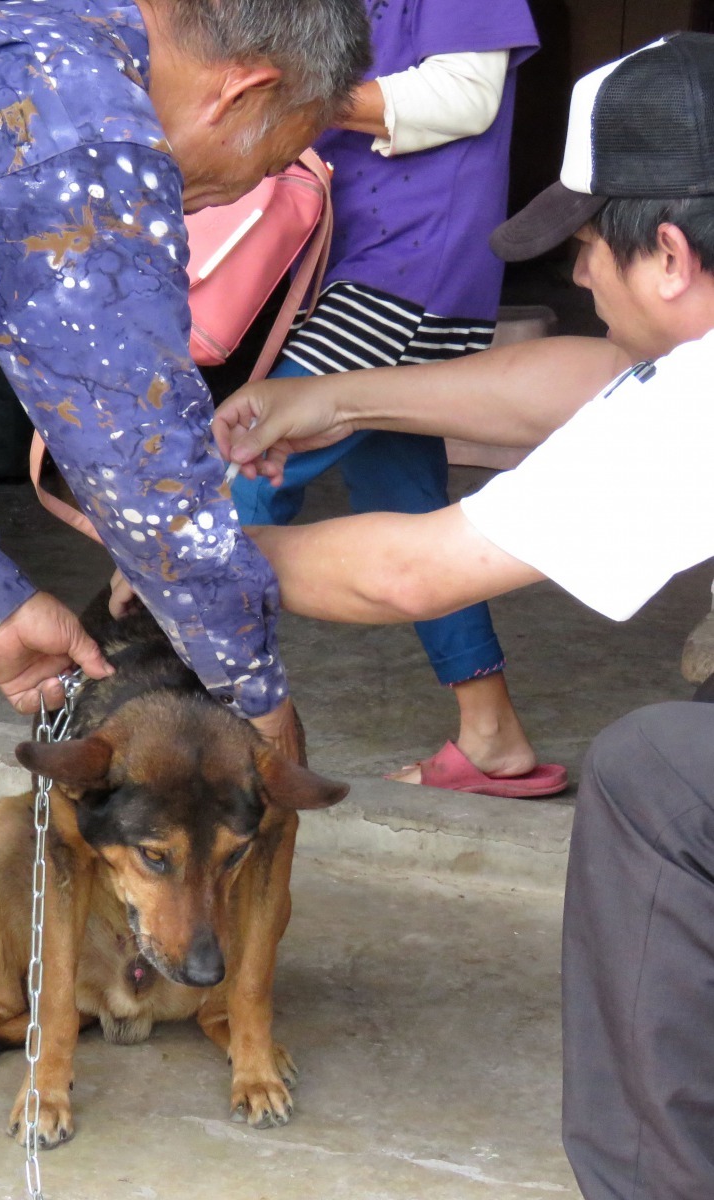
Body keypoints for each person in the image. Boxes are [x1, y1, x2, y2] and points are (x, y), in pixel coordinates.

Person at [209, 32, 714, 1198]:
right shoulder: (683, 364)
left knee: (661, 774)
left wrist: (197, 553)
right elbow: (598, 383)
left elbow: (410, 576)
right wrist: (332, 398)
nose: (579, 276)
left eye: (588, 248)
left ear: (672, 253)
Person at [0, 0, 371, 1173]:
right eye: (266, 162)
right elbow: (142, 473)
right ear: (243, 92)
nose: (219, 203)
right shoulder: (85, 128)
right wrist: (253, 692)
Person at [230, 0, 569, 797]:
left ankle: (174, 714)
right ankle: (491, 733)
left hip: (408, 269)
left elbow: (463, 97)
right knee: (406, 496)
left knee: (247, 467)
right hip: (355, 259)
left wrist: (276, 94)